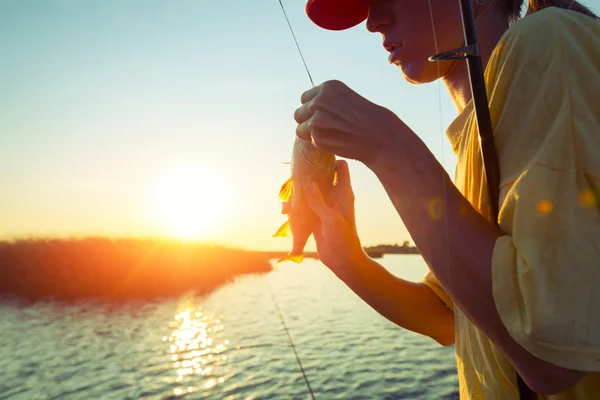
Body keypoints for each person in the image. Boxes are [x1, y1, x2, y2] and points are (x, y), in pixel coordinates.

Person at [290, 0, 600, 398]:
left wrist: (388, 147)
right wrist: (347, 259)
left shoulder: (549, 38)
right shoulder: (477, 136)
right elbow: (449, 316)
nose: (372, 22)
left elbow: (555, 358)